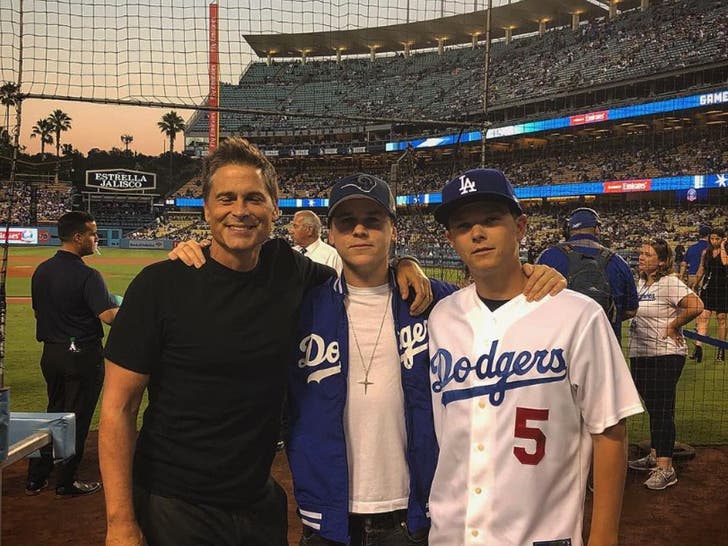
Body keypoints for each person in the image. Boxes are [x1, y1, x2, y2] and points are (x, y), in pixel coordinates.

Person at [98, 138, 432, 546]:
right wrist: (119, 523)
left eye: (254, 198)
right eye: (226, 198)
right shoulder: (159, 286)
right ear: (206, 209)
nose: (240, 210)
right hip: (176, 502)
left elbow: (360, 277)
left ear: (274, 208)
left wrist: (403, 264)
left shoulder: (289, 270)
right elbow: (118, 409)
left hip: (257, 501)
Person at [287, 172, 565, 546]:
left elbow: (500, 298)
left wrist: (533, 274)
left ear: (394, 231)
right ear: (331, 235)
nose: (360, 231)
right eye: (347, 223)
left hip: (414, 515)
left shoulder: (437, 303)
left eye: (373, 221)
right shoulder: (302, 307)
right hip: (329, 519)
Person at [426, 168, 644, 546]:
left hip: (542, 535)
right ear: (451, 238)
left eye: (491, 220)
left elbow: (609, 429)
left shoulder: (578, 314)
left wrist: (604, 536)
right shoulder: (442, 317)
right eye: (463, 226)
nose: (477, 233)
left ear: (520, 227)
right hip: (451, 533)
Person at [26, 211, 119, 498]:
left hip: (51, 353)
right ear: (77, 237)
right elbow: (108, 316)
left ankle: (37, 477)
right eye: (92, 233)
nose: (96, 238)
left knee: (54, 412)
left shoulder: (42, 269)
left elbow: (39, 310)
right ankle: (66, 482)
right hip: (81, 354)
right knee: (76, 418)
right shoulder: (88, 274)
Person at [627, 239, 704, 489]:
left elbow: (696, 306)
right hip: (641, 353)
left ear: (661, 261)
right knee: (655, 407)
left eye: (647, 254)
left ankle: (666, 467)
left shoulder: (669, 282)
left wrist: (673, 325)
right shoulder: (640, 283)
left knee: (661, 407)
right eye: (641, 253)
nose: (641, 257)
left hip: (665, 354)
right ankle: (655, 453)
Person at [537, 207, 638, 344]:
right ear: (597, 229)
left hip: (560, 348)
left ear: (568, 229)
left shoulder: (549, 257)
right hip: (606, 348)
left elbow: (535, 303)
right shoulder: (618, 261)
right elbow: (631, 310)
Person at [693, 227, 728, 362]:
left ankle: (721, 349)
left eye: (717, 239)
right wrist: (695, 284)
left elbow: (725, 263)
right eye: (712, 238)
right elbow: (701, 269)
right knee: (703, 317)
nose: (714, 241)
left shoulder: (725, 250)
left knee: (721, 319)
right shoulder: (705, 252)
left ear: (722, 239)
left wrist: (724, 246)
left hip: (723, 289)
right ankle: (698, 347)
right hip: (708, 288)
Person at [679, 224, 710, 289]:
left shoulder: (691, 248)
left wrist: (681, 277)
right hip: (704, 277)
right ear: (709, 235)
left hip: (691, 276)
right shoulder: (710, 248)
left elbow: (684, 264)